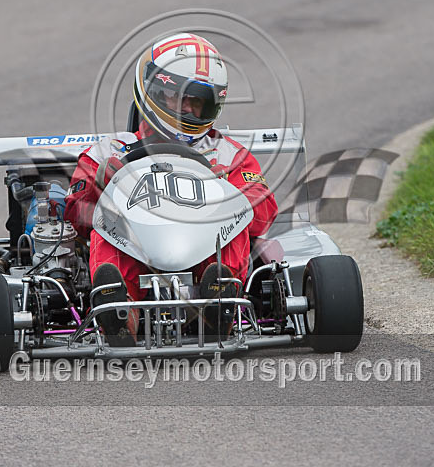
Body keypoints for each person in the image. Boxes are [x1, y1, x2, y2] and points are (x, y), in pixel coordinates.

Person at [64, 33, 278, 344]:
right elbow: (75, 215)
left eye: (199, 102)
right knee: (106, 225)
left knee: (235, 224)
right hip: (137, 248)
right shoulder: (108, 151)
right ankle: (120, 313)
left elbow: (263, 214)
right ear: (155, 91)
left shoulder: (228, 154)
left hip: (203, 251)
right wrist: (101, 186)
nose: (189, 110)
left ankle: (217, 306)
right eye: (180, 98)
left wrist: (226, 193)